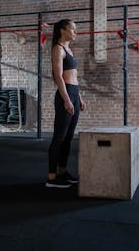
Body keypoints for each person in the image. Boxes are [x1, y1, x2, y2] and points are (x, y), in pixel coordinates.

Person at [46, 19, 86, 188]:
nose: (75, 32)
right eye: (73, 29)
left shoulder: (69, 50)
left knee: (69, 137)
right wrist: (67, 99)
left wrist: (80, 98)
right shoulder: (58, 49)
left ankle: (62, 172)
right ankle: (52, 177)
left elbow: (74, 77)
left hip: (74, 93)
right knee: (59, 137)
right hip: (66, 94)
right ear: (63, 30)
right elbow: (58, 77)